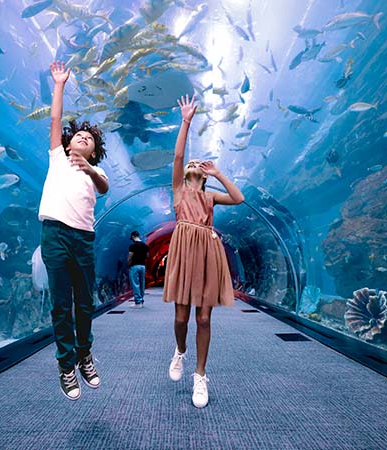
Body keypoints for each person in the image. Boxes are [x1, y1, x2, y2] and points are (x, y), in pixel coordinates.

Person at [163, 94, 244, 408]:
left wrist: (218, 173)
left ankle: (200, 374)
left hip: (208, 252)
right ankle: (180, 351)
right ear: (185, 174)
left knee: (205, 318)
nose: (195, 165)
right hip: (185, 252)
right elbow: (178, 155)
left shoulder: (211, 196)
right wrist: (186, 121)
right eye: (192, 165)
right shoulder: (179, 191)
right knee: (181, 318)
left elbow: (238, 198)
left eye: (199, 165)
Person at [38, 61, 109, 401]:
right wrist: (59, 84)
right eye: (79, 136)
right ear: (68, 144)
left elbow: (105, 187)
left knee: (85, 302)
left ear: (93, 151)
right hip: (54, 234)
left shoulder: (96, 171)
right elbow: (55, 120)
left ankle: (85, 355)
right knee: (60, 304)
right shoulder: (57, 157)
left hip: (83, 238)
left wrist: (90, 169)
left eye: (89, 139)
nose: (83, 137)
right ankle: (66, 365)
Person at [128, 231, 149, 308]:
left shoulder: (132, 246)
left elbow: (130, 257)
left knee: (135, 284)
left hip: (134, 266)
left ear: (133, 236)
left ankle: (137, 302)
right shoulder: (145, 246)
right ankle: (141, 301)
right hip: (143, 266)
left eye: (132, 238)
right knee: (142, 283)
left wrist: (128, 265)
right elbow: (147, 256)